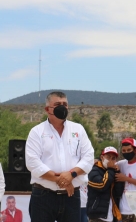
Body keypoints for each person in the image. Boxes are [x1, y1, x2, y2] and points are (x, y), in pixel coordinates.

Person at [25, 91, 94, 222]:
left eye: (65, 104)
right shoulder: (37, 132)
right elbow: (33, 163)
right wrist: (62, 180)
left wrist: (71, 174)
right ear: (47, 109)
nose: (62, 107)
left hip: (71, 196)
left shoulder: (78, 129)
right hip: (43, 196)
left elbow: (89, 157)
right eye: (57, 104)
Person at [87, 147, 124, 222]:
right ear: (102, 157)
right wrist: (110, 170)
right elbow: (101, 186)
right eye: (108, 157)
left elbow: (118, 193)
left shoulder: (112, 171)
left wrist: (117, 173)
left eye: (113, 158)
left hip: (111, 215)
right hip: (97, 216)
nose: (110, 160)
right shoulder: (94, 171)